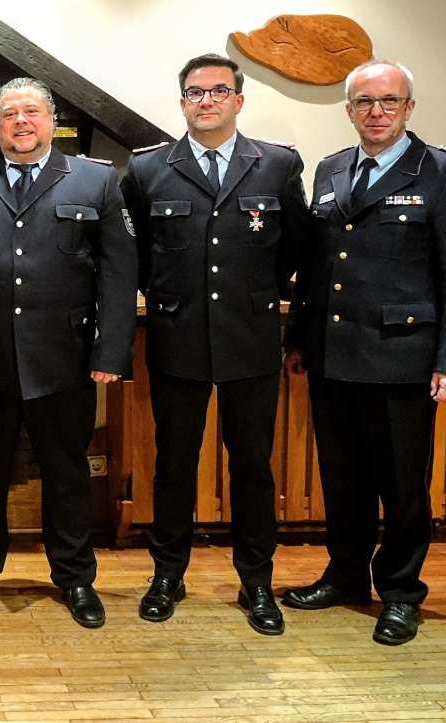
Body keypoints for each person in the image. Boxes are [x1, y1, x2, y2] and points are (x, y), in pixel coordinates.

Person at [0, 77, 137, 628]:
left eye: (31, 112)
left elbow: (120, 274)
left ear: (52, 121)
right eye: (9, 114)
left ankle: (74, 578)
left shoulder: (96, 180)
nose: (20, 122)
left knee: (67, 471)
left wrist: (111, 350)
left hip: (65, 357)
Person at [120, 53, 308, 635]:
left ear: (238, 100)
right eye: (195, 93)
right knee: (173, 465)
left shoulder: (275, 165)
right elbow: (137, 259)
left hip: (250, 340)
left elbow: (296, 252)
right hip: (178, 339)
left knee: (252, 467)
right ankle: (167, 574)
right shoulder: (148, 169)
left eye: (218, 91)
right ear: (182, 102)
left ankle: (257, 582)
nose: (207, 101)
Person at [283, 59, 446, 646]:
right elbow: (316, 264)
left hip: (402, 356)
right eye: (364, 103)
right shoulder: (331, 169)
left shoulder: (438, 172)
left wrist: (444, 360)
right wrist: (298, 339)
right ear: (349, 110)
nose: (376, 112)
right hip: (333, 354)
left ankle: (401, 592)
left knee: (403, 484)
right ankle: (346, 576)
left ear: (407, 109)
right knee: (343, 477)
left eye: (388, 102)